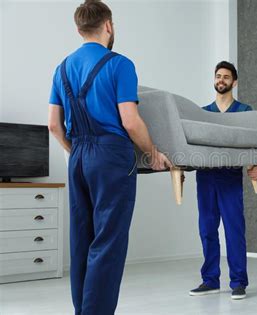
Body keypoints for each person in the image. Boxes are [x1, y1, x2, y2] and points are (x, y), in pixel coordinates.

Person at [47, 1, 171, 313]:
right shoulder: (120, 64)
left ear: (78, 30)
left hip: (78, 156)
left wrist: (75, 152)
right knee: (108, 241)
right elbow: (130, 121)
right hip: (111, 156)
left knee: (82, 240)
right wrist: (152, 153)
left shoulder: (61, 68)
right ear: (109, 25)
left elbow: (53, 124)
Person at [189, 61, 257, 300]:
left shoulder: (244, 112)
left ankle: (238, 282)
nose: (221, 80)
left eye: (226, 77)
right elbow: (192, 145)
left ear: (234, 82)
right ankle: (210, 280)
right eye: (218, 76)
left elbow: (254, 142)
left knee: (234, 230)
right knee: (207, 230)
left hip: (230, 177)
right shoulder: (202, 113)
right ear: (214, 80)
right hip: (206, 177)